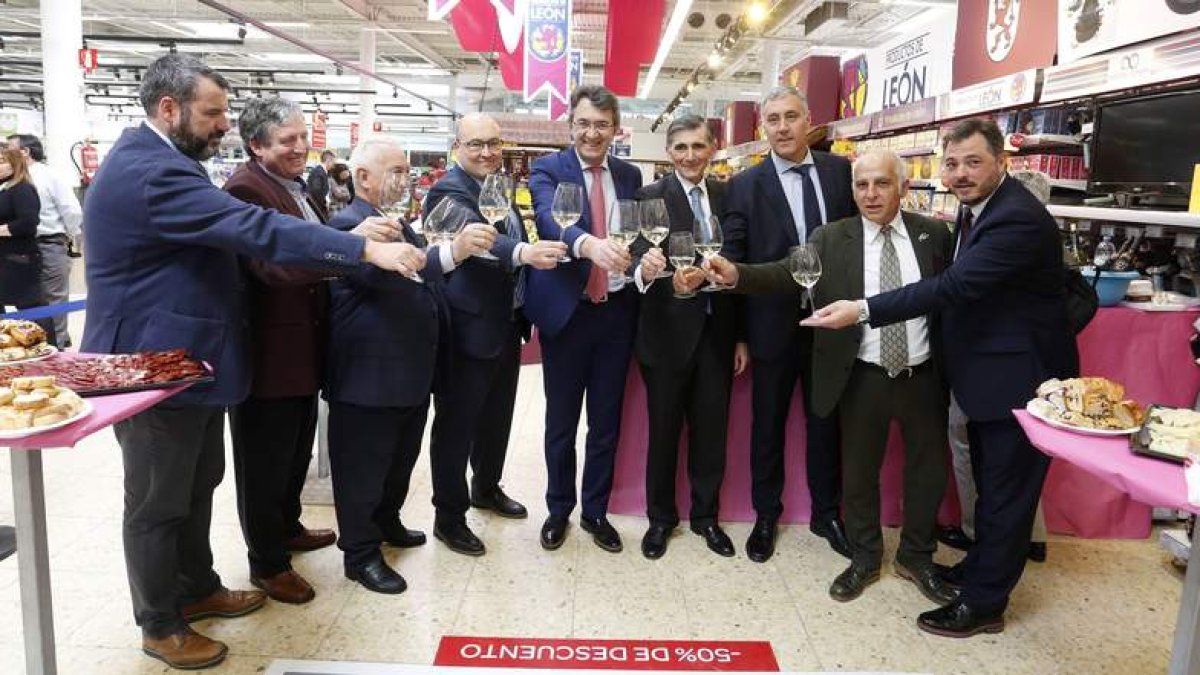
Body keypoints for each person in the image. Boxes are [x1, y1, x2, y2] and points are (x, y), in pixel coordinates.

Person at [81, 54, 422, 671]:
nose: (221, 126)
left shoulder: (170, 162)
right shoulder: (151, 171)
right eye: (212, 113)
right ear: (169, 108)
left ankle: (198, 586)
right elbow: (252, 227)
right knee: (158, 500)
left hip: (188, 364)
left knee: (198, 482)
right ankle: (160, 622)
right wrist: (358, 248)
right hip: (149, 367)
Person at [799, 118, 1078, 638]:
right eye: (951, 163)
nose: (959, 174)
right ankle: (977, 574)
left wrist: (861, 309)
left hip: (1020, 381)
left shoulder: (1011, 217)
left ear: (1002, 161)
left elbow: (953, 286)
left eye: (973, 162)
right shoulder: (979, 212)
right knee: (991, 491)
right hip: (983, 377)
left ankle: (984, 605)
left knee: (1005, 495)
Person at [697, 150, 956, 605]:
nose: (870, 194)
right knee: (858, 472)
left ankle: (917, 556)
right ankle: (864, 557)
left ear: (903, 187)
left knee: (927, 471)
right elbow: (785, 274)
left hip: (924, 374)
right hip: (863, 374)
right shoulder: (832, 237)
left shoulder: (933, 234)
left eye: (881, 184)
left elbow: (956, 293)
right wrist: (737, 273)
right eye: (861, 185)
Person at [224, 97, 382, 606]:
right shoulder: (246, 188)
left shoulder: (296, 185)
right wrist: (349, 251)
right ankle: (267, 563)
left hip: (302, 345)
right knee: (264, 459)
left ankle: (287, 525)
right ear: (257, 145)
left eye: (301, 136)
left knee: (294, 450)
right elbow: (273, 266)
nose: (300, 147)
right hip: (270, 349)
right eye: (286, 140)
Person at [325, 135, 496, 593]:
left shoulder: (394, 222)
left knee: (398, 459)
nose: (406, 179)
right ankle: (360, 554)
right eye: (395, 171)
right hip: (369, 376)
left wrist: (455, 252)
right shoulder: (349, 226)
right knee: (363, 466)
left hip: (408, 372)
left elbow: (420, 265)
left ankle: (387, 521)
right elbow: (377, 270)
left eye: (406, 171)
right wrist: (452, 253)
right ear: (362, 177)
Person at [720, 85, 857, 563]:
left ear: (808, 120)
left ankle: (827, 513)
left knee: (826, 421)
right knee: (768, 424)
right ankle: (765, 515)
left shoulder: (843, 173)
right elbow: (734, 263)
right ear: (763, 126)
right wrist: (738, 332)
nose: (782, 127)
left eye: (791, 117)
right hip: (771, 323)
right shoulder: (743, 186)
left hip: (832, 321)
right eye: (773, 119)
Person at [424, 113, 567, 556]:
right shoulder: (447, 190)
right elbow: (482, 240)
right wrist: (525, 252)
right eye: (475, 145)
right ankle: (449, 517)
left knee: (496, 417)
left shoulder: (498, 185)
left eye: (493, 143)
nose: (486, 152)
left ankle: (485, 487)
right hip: (468, 326)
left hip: (504, 324)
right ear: (457, 147)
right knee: (457, 424)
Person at [525, 85, 641, 553]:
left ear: (615, 129)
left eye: (602, 124)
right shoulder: (548, 169)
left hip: (617, 312)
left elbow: (640, 235)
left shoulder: (631, 175)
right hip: (568, 315)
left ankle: (595, 511)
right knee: (561, 421)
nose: (593, 133)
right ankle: (558, 510)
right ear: (571, 125)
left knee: (606, 421)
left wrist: (644, 261)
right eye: (584, 123)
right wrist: (590, 245)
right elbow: (551, 220)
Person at [634, 114, 744, 560]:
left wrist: (740, 337)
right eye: (680, 148)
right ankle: (660, 520)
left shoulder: (728, 195)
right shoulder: (650, 196)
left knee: (711, 434)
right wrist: (655, 277)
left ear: (713, 148)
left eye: (698, 146)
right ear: (669, 153)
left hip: (717, 335)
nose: (689, 156)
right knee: (662, 432)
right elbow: (641, 257)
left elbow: (740, 257)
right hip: (665, 335)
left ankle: (706, 517)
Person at [6, 134, 82, 347]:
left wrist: (70, 236)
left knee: (50, 299)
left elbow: (71, 211)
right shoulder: (12, 179)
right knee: (36, 300)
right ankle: (39, 347)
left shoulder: (48, 176)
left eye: (9, 150)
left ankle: (54, 349)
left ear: (25, 152)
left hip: (47, 244)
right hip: (22, 249)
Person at [0, 146, 53, 344]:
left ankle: (48, 348)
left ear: (16, 163)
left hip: (19, 261)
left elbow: (28, 223)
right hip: (4, 260)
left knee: (32, 309)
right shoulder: (3, 188)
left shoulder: (22, 188)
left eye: (2, 161)